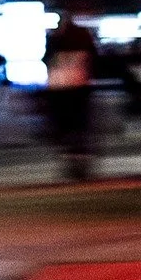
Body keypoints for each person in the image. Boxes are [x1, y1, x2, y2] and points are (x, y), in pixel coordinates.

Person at [43, 13, 100, 180]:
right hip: (79, 84)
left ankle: (71, 155)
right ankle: (79, 156)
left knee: (64, 124)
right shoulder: (82, 38)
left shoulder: (55, 39)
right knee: (79, 124)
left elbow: (47, 59)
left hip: (59, 86)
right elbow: (94, 58)